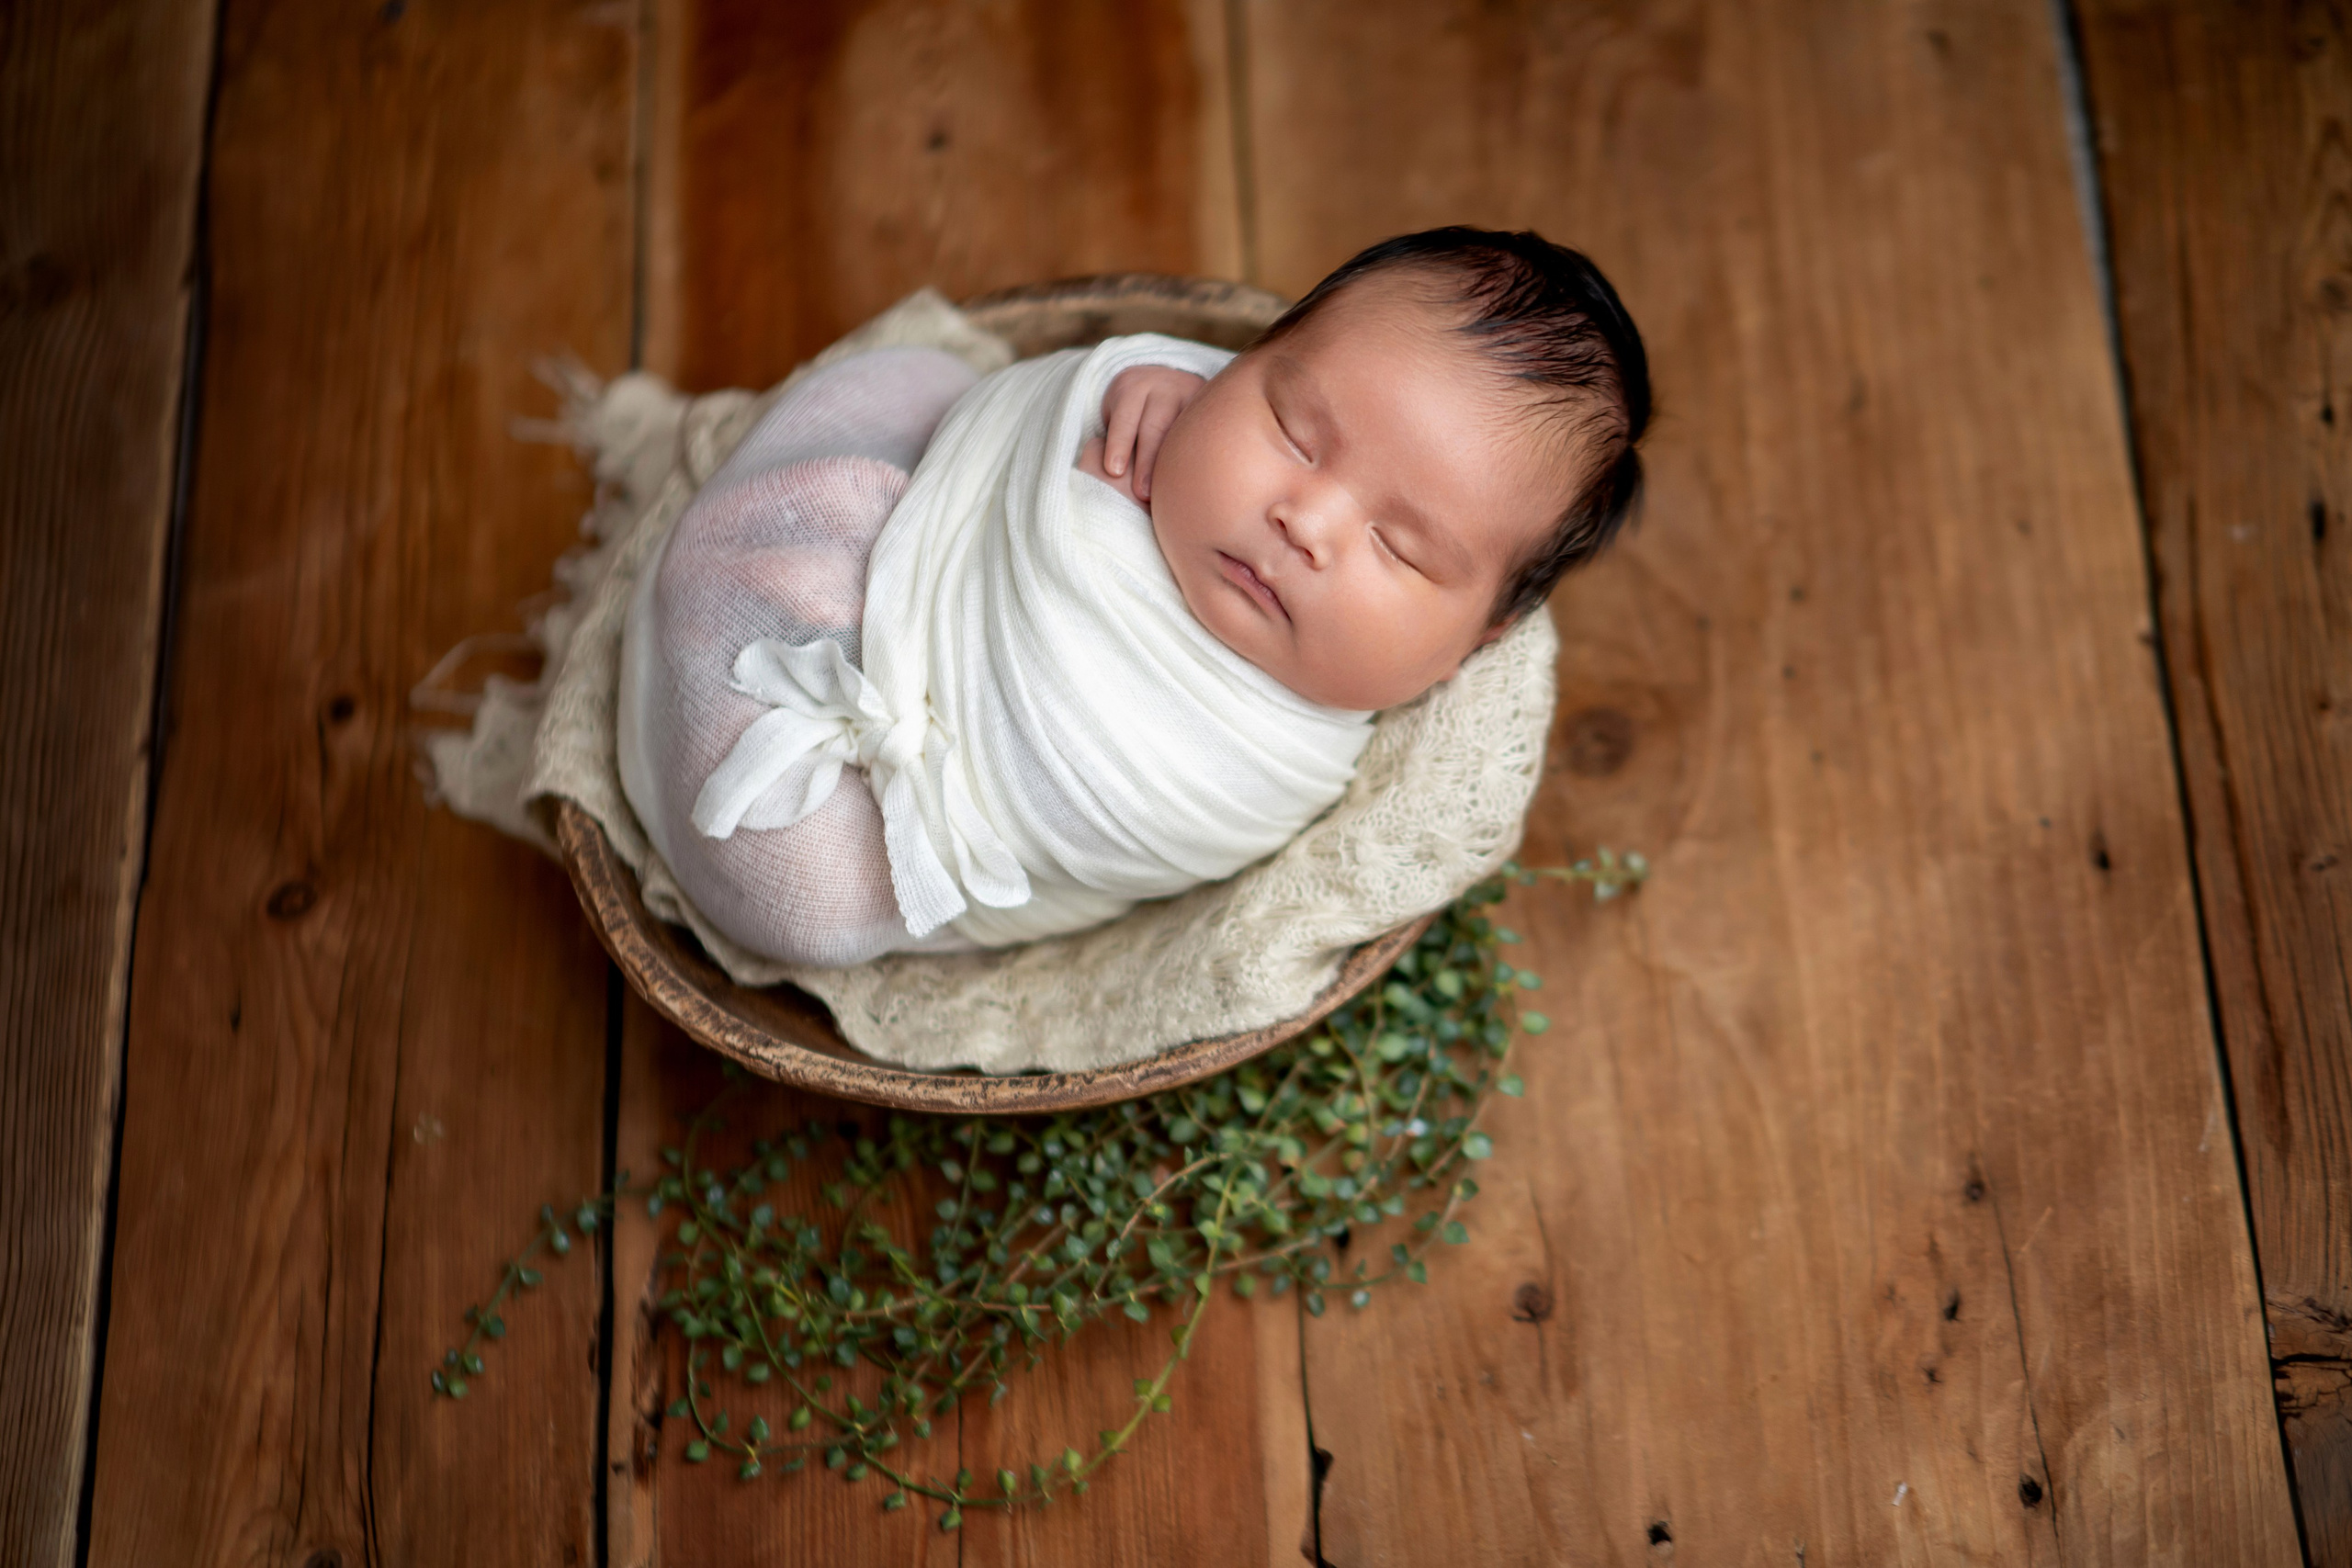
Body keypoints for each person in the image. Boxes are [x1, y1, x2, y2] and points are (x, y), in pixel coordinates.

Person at [616, 226, 1651, 967]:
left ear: (1474, 641)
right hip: (902, 562)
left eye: (1398, 546)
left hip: (907, 815)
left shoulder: (1291, 762)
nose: (1307, 520)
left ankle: (740, 617)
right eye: (1293, 432)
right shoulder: (1176, 417)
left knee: (798, 885)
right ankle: (760, 590)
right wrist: (1136, 386)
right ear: (1241, 366)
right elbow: (1032, 408)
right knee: (910, 383)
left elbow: (1078, 827)